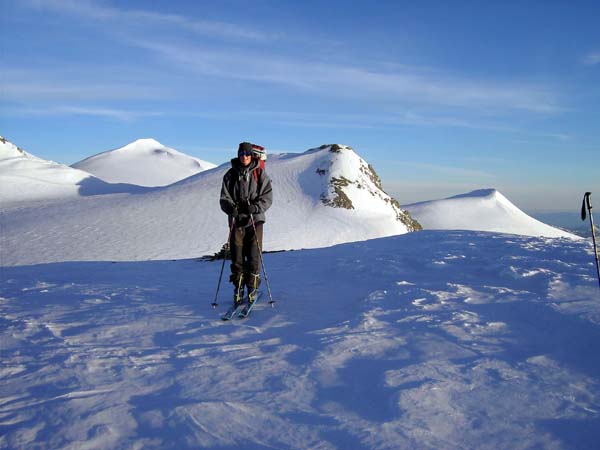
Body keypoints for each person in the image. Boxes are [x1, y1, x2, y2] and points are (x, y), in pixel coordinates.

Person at [220, 142, 273, 306]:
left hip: (255, 220)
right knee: (237, 256)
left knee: (254, 255)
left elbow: (267, 196)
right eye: (242, 154)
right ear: (238, 154)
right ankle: (238, 289)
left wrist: (256, 207)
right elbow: (224, 197)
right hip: (237, 221)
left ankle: (252, 288)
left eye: (248, 154)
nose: (245, 156)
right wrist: (230, 208)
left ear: (252, 155)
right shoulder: (230, 175)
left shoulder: (260, 173)